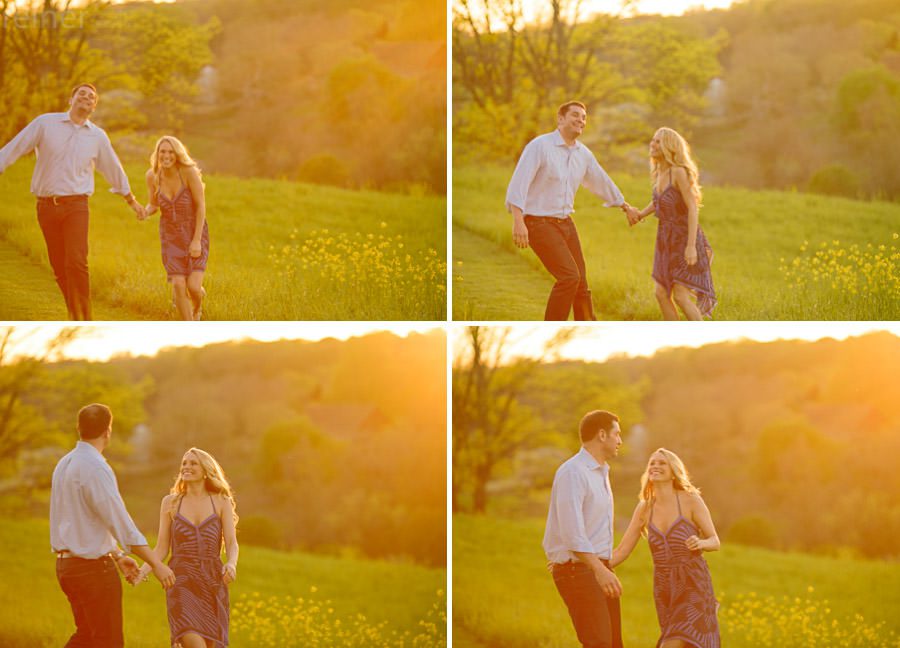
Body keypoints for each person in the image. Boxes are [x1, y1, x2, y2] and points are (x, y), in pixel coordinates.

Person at [0, 83, 146, 320]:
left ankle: (84, 318)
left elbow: (113, 169)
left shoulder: (97, 136)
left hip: (77, 206)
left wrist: (131, 200)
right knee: (59, 266)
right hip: (46, 206)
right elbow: (16, 147)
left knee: (76, 262)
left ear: (94, 106)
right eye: (82, 94)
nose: (86, 98)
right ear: (71, 99)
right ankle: (75, 311)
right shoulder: (45, 123)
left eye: (91, 97)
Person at [50, 403, 176, 648]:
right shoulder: (95, 467)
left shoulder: (64, 464)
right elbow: (122, 523)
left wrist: (117, 555)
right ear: (108, 431)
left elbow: (84, 522)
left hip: (67, 567)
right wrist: (156, 564)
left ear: (79, 428)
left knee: (86, 637)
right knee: (107, 642)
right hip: (92, 572)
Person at [506, 101, 635, 321]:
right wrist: (519, 220)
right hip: (538, 223)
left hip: (565, 223)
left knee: (581, 285)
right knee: (569, 278)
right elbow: (519, 183)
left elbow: (601, 180)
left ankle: (588, 329)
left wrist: (624, 205)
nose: (580, 120)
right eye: (575, 115)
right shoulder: (540, 146)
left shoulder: (583, 154)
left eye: (584, 117)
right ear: (560, 119)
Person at [611, 448, 721, 648]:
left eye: (662, 463)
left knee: (671, 644)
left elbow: (715, 540)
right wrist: (591, 566)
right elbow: (621, 551)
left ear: (674, 471)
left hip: (693, 582)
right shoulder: (644, 508)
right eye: (652, 463)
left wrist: (701, 543)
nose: (655, 466)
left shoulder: (691, 500)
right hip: (664, 586)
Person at [134, 447, 238, 648]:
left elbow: (232, 543)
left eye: (193, 463)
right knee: (193, 642)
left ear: (206, 470)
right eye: (184, 463)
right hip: (181, 582)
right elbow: (162, 547)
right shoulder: (170, 503)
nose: (186, 467)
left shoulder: (221, 502)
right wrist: (143, 571)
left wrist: (232, 564)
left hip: (212, 582)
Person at [543, 410, 624, 648]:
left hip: (594, 567)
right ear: (601, 435)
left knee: (613, 644)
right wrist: (593, 568)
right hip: (580, 572)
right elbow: (573, 533)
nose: (620, 440)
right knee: (599, 643)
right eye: (616, 434)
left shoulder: (601, 473)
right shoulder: (573, 472)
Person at [623, 127, 716, 320]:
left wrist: (691, 247)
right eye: (652, 140)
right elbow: (658, 202)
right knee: (661, 293)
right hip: (665, 242)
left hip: (685, 240)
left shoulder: (678, 172)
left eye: (658, 141)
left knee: (681, 297)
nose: (652, 144)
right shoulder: (660, 173)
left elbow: (692, 207)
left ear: (669, 146)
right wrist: (640, 215)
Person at [142, 136, 210, 320]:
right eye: (162, 151)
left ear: (177, 154)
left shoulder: (188, 172)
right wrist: (145, 212)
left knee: (194, 287)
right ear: (157, 154)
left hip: (193, 231)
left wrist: (196, 241)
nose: (166, 155)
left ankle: (197, 305)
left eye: (170, 151)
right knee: (179, 284)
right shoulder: (152, 176)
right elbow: (153, 205)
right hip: (170, 236)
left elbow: (201, 206)